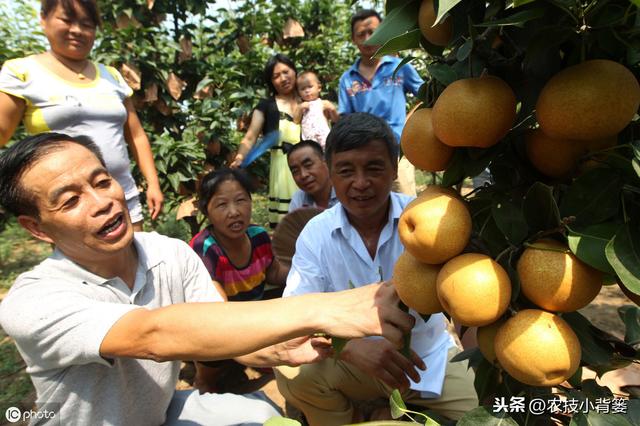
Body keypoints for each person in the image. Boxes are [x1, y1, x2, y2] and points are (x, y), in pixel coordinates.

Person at [0, 132, 415, 425]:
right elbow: (153, 336)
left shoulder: (169, 253)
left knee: (263, 416)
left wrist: (281, 348)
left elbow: (224, 331)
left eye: (102, 181)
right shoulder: (32, 302)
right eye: (70, 200)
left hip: (162, 414)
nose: (102, 202)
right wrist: (325, 309)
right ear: (36, 228)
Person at [274, 113, 478, 425]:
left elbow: (465, 298)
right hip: (353, 365)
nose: (360, 183)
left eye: (373, 168)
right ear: (330, 172)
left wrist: (485, 363)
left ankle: (389, 413)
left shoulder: (431, 222)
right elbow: (296, 312)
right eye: (346, 171)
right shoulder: (316, 234)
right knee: (292, 373)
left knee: (485, 413)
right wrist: (350, 349)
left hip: (426, 362)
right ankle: (355, 416)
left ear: (394, 168)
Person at [0, 0, 163, 231]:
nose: (77, 30)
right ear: (43, 19)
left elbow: (136, 135)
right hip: (68, 205)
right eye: (66, 20)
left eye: (87, 24)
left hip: (121, 193)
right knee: (84, 265)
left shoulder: (112, 76)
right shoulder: (23, 72)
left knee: (134, 262)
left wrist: (153, 183)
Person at [338, 9, 424, 197]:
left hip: (398, 152)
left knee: (404, 204)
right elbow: (346, 119)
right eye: (361, 34)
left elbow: (427, 94)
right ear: (353, 39)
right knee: (370, 205)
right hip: (364, 155)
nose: (368, 39)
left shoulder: (399, 67)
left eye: (373, 32)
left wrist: (411, 118)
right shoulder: (347, 78)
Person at [230, 54, 301, 228]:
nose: (283, 78)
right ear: (271, 82)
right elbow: (250, 136)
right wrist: (240, 157)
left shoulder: (309, 99)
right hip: (283, 168)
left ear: (294, 71)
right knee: (288, 225)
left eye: (286, 72)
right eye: (276, 76)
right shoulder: (266, 106)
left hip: (311, 163)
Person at [286, 140, 338, 211]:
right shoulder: (299, 200)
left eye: (308, 165)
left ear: (326, 161)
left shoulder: (345, 193)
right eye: (295, 171)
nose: (303, 175)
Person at [293, 71, 338, 149]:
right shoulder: (301, 106)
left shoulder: (323, 103)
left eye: (310, 87)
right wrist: (300, 109)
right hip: (308, 141)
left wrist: (332, 109)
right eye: (303, 89)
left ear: (319, 88)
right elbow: (296, 121)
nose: (307, 91)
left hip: (324, 139)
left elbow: (336, 120)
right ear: (298, 92)